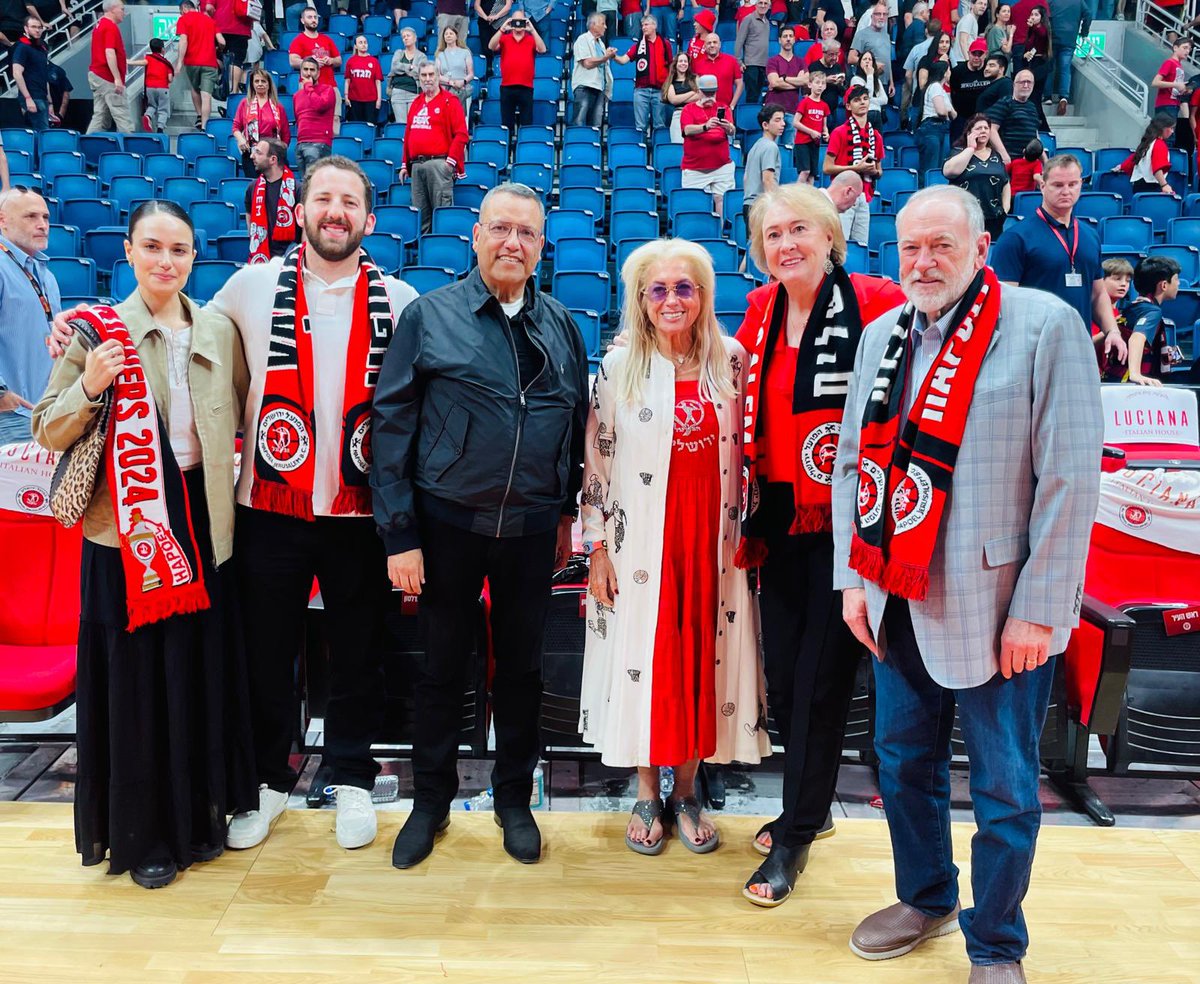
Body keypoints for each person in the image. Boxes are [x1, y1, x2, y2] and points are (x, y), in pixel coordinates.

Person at [832, 184, 1103, 984]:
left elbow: (1069, 479)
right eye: (911, 246)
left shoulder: (1044, 326)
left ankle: (997, 942)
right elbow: (852, 466)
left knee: (1005, 784)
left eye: (942, 246)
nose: (924, 261)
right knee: (901, 759)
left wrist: (1041, 612)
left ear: (981, 250)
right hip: (893, 594)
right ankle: (925, 896)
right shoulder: (881, 336)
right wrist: (855, 576)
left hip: (998, 610)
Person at [33, 200, 258, 890]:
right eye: (153, 247)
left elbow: (245, 405)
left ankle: (199, 816)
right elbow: (46, 428)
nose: (166, 261)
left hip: (203, 520)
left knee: (196, 676)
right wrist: (92, 389)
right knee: (135, 687)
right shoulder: (95, 334)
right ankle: (142, 834)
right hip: (125, 532)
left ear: (195, 258)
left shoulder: (218, 327)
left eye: (180, 250)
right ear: (128, 251)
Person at [371, 183, 588, 869]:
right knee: (440, 669)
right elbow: (392, 425)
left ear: (541, 245)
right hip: (445, 525)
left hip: (528, 531)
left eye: (526, 233)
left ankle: (513, 798)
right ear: (475, 235)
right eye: (500, 229)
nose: (512, 243)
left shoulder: (561, 325)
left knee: (523, 670)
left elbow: (573, 429)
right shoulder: (430, 317)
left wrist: (561, 515)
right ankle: (430, 800)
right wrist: (400, 534)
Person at [211, 158, 417, 854]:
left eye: (349, 201)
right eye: (323, 198)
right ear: (299, 210)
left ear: (369, 218)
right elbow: (185, 345)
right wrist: (86, 329)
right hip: (269, 507)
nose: (336, 210)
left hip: (361, 511)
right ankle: (269, 779)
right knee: (267, 651)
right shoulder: (249, 286)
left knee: (360, 651)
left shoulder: (402, 297)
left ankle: (353, 778)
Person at [736, 183, 905, 906]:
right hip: (779, 526)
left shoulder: (875, 298)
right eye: (773, 235)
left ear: (831, 233)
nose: (786, 246)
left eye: (799, 229)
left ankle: (799, 832)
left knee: (819, 683)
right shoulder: (761, 308)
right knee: (790, 681)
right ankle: (802, 806)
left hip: (848, 528)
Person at [580, 237, 770, 857]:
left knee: (698, 662)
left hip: (711, 543)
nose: (671, 300)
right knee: (648, 659)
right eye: (657, 289)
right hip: (640, 548)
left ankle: (686, 790)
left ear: (704, 295)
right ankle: (644, 789)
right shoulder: (617, 366)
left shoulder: (733, 362)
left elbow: (753, 458)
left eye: (683, 287)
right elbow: (598, 463)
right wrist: (600, 550)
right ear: (639, 298)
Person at [991, 154, 1128, 363]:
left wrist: (1113, 332)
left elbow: (1097, 293)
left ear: (1081, 184)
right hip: (1032, 350)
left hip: (1079, 346)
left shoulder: (1090, 235)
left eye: (1072, 184)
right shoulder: (1016, 238)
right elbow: (1004, 304)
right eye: (1058, 185)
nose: (1066, 191)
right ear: (1042, 185)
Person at [0, 188, 59, 446]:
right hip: (9, 416)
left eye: (45, 218)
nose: (42, 225)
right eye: (31, 217)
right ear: (2, 220)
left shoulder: (46, 274)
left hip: (44, 415)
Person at [399, 63, 468, 235]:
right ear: (419, 78)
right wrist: (404, 164)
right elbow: (408, 134)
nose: (428, 79)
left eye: (431, 75)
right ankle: (424, 257)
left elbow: (461, 135)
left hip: (439, 164)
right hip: (416, 166)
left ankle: (443, 258)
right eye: (424, 75)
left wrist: (449, 163)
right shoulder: (416, 103)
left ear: (438, 77)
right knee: (421, 217)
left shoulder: (450, 101)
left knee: (441, 217)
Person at [943, 113, 1010, 240]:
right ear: (969, 133)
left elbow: (1006, 182)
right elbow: (949, 171)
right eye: (978, 128)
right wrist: (970, 148)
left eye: (986, 128)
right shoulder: (959, 152)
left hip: (994, 217)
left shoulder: (996, 155)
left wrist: (1005, 210)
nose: (983, 131)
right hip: (966, 217)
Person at [681, 74, 737, 219]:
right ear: (699, 92)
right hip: (695, 169)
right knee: (695, 207)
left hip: (721, 167)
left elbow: (732, 131)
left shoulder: (723, 107)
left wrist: (728, 127)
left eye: (712, 93)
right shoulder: (688, 109)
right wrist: (705, 127)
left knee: (721, 201)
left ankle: (719, 235)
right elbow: (687, 130)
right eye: (706, 93)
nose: (710, 97)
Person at [1125, 255, 1185, 386]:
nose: (1179, 283)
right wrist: (1135, 374)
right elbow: (1136, 338)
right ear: (1164, 285)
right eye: (1176, 279)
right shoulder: (1152, 312)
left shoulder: (1132, 307)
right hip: (1138, 386)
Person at [825, 85, 884, 208]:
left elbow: (879, 171)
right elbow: (827, 168)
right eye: (857, 100)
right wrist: (855, 168)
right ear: (848, 106)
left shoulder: (876, 135)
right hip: (842, 196)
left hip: (865, 197)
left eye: (865, 98)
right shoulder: (839, 132)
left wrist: (874, 171)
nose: (862, 102)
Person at [614, 15, 673, 137]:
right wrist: (613, 56)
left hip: (659, 90)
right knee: (640, 127)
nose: (643, 28)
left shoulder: (665, 43)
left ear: (654, 26)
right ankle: (642, 152)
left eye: (646, 25)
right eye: (642, 25)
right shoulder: (638, 46)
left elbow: (671, 66)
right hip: (641, 91)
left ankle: (657, 155)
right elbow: (623, 60)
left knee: (660, 125)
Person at [489, 12, 547, 138]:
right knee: (506, 124)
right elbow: (491, 46)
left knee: (526, 123)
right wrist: (503, 28)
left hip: (526, 87)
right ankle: (508, 153)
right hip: (507, 87)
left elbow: (542, 49)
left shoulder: (531, 39)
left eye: (521, 21)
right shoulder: (505, 38)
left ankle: (524, 153)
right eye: (515, 21)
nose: (518, 24)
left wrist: (532, 29)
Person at [244, 138, 300, 263]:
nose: (252, 156)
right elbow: (250, 221)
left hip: (290, 259)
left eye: (258, 153)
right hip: (261, 258)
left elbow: (305, 228)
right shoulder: (252, 188)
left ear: (273, 160)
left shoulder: (297, 189)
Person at [175, 0, 223, 131]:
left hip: (192, 62)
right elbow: (222, 41)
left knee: (195, 89)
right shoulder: (210, 20)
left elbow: (183, 41)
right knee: (206, 95)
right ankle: (204, 125)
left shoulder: (184, 19)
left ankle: (199, 115)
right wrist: (219, 48)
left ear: (184, 8)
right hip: (210, 62)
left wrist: (179, 62)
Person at [233, 69, 290, 178]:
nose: (260, 84)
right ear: (252, 84)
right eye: (257, 81)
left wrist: (279, 151)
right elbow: (236, 127)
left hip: (272, 155)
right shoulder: (245, 104)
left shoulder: (278, 107)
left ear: (269, 84)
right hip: (251, 154)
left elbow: (286, 135)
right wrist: (241, 139)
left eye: (263, 81)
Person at [87, 0, 133, 133]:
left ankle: (88, 143)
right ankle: (129, 150)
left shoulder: (99, 25)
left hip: (98, 75)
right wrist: (117, 78)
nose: (124, 12)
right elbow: (109, 52)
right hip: (107, 77)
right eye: (122, 9)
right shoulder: (110, 27)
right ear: (113, 9)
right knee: (122, 115)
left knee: (100, 116)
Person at [1113, 115, 1178, 196]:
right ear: (1163, 128)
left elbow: (1134, 158)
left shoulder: (1147, 143)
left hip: (1138, 186)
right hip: (1152, 186)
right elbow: (1158, 168)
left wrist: (1120, 167)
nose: (1172, 132)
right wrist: (1164, 185)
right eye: (1171, 128)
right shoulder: (1159, 145)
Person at [765, 24, 808, 147]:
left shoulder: (800, 61)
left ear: (794, 39)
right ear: (779, 40)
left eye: (791, 36)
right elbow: (774, 82)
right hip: (774, 112)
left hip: (792, 111)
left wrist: (784, 79)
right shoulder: (772, 61)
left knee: (789, 149)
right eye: (785, 36)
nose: (788, 39)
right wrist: (796, 83)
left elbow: (805, 81)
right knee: (772, 147)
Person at [572, 12, 617, 128]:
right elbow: (587, 63)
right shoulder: (583, 40)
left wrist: (607, 90)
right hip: (585, 87)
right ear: (593, 25)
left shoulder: (601, 44)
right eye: (603, 24)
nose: (606, 27)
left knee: (596, 126)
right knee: (579, 123)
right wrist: (605, 57)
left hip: (599, 88)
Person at [986, 69, 1040, 164]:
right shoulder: (1005, 102)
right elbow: (991, 129)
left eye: (1029, 82)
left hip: (1029, 163)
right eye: (1022, 82)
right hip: (1010, 162)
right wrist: (1004, 155)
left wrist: (1045, 161)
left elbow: (1035, 135)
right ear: (1014, 84)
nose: (1026, 85)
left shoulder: (1032, 107)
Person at [293, 57, 336, 176]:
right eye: (305, 69)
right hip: (301, 143)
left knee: (314, 183)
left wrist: (308, 87)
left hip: (318, 142)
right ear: (300, 71)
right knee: (305, 185)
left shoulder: (327, 90)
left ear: (318, 72)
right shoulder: (297, 96)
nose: (308, 73)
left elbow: (320, 105)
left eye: (312, 70)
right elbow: (298, 118)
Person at [744, 106, 785, 225]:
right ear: (765, 125)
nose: (782, 124)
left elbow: (746, 178)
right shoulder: (770, 147)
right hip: (761, 206)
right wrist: (774, 206)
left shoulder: (756, 145)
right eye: (777, 120)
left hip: (749, 205)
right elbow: (767, 179)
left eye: (783, 120)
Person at [917, 61, 956, 182]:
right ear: (944, 73)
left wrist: (948, 110)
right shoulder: (935, 86)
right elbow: (942, 112)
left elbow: (954, 114)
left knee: (940, 167)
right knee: (931, 168)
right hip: (932, 128)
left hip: (942, 129)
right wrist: (947, 110)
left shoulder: (941, 90)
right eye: (949, 70)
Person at [1096, 256, 1133, 380]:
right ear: (1101, 280)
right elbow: (1085, 344)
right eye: (1117, 279)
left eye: (1128, 281)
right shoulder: (1093, 313)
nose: (1123, 284)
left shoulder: (1121, 314)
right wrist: (1111, 330)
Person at [12, 16, 51, 131]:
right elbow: (17, 73)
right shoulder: (22, 47)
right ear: (26, 28)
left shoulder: (42, 47)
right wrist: (28, 98)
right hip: (32, 96)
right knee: (42, 134)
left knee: (39, 133)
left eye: (39, 27)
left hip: (41, 96)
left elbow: (44, 75)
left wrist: (50, 102)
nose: (37, 30)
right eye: (34, 27)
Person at [289, 7, 342, 91]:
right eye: (310, 17)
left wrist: (331, 60)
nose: (313, 20)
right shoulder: (298, 40)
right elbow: (293, 61)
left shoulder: (327, 39)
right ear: (302, 20)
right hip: (308, 86)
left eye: (315, 17)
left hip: (330, 86)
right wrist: (312, 62)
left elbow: (339, 60)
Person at [902, 16, 941, 129]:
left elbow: (908, 74)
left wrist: (913, 89)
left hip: (918, 96)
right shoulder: (945, 48)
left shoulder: (916, 49)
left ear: (926, 31)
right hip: (939, 99)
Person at [129, 38, 174, 135]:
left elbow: (142, 63)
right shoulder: (166, 63)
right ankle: (160, 129)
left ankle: (148, 116)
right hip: (163, 88)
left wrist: (128, 61)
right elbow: (170, 78)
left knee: (152, 105)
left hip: (150, 88)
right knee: (163, 109)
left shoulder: (148, 58)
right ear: (163, 49)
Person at [793, 68, 830, 184]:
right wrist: (811, 132)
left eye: (823, 83)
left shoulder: (824, 106)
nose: (820, 86)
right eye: (817, 83)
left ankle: (809, 199)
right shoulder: (805, 102)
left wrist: (826, 133)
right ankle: (796, 195)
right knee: (805, 171)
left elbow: (824, 125)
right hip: (802, 142)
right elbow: (795, 122)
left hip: (815, 143)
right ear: (810, 84)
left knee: (812, 174)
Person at [949, 39, 989, 142]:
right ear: (968, 54)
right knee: (957, 146)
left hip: (984, 118)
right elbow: (953, 91)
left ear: (985, 54)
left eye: (980, 54)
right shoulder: (958, 71)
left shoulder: (989, 70)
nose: (976, 57)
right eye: (973, 54)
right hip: (962, 117)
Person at [850, 3, 895, 93]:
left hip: (885, 84)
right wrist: (872, 64)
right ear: (872, 16)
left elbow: (887, 60)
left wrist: (891, 82)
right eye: (878, 14)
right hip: (868, 81)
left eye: (884, 14)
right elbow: (851, 58)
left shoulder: (886, 35)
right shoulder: (861, 35)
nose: (881, 17)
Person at [212, 0, 253, 97]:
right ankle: (234, 91)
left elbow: (209, 7)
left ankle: (220, 79)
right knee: (237, 60)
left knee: (217, 54)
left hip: (220, 25)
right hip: (241, 26)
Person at [1048, 0, 1082, 115]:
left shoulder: (1051, 1)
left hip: (1053, 38)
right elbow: (1088, 15)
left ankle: (1047, 96)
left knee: (1049, 68)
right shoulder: (1079, 2)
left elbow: (1046, 17)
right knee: (1065, 69)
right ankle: (1063, 98)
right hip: (1069, 39)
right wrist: (1084, 32)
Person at [696, 32, 743, 113]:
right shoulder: (698, 64)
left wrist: (732, 106)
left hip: (726, 109)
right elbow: (696, 88)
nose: (712, 45)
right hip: (705, 109)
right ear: (704, 46)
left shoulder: (731, 61)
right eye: (709, 43)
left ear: (720, 44)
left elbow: (740, 84)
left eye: (715, 42)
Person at [388, 28, 427, 125]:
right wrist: (410, 67)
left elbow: (420, 72)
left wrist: (402, 69)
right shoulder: (399, 53)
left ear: (415, 38)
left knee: (413, 124)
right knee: (401, 124)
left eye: (408, 36)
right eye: (403, 37)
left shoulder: (421, 56)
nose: (405, 38)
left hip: (414, 93)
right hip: (398, 92)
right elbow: (394, 68)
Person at [735, 0, 771, 103]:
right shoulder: (748, 19)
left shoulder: (767, 22)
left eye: (765, 3)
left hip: (763, 65)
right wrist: (739, 61)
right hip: (750, 64)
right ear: (755, 4)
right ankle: (750, 117)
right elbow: (739, 41)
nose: (763, 6)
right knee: (752, 96)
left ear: (769, 6)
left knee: (758, 95)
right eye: (760, 3)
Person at [435, 25, 475, 117]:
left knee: (462, 117)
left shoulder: (465, 52)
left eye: (451, 33)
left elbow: (471, 74)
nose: (448, 36)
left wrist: (462, 81)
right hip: (445, 90)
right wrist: (450, 82)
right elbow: (437, 75)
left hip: (462, 89)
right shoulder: (440, 54)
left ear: (456, 36)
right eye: (446, 34)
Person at [344, 35, 384, 124]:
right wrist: (346, 97)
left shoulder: (374, 61)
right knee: (355, 126)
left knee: (370, 126)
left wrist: (378, 100)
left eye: (365, 42)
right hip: (354, 100)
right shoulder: (351, 61)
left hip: (371, 101)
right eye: (360, 42)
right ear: (355, 46)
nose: (363, 45)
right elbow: (347, 81)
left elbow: (378, 82)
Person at [1151, 37, 1192, 122]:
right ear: (1175, 48)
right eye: (1184, 48)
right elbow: (1155, 82)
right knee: (1167, 134)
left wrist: (1184, 88)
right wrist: (1176, 84)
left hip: (1174, 104)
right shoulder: (1170, 62)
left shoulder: (1179, 66)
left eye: (1189, 49)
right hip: (1166, 104)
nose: (1187, 51)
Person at [663, 51, 701, 141]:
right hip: (679, 115)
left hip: (695, 114)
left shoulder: (695, 78)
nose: (683, 63)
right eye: (680, 61)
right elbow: (674, 100)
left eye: (685, 61)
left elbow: (701, 96)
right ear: (676, 64)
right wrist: (692, 93)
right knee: (679, 145)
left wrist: (680, 98)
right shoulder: (671, 83)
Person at [1020, 6, 1050, 119]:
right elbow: (1028, 46)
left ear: (1042, 17)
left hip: (1040, 65)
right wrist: (1025, 55)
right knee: (1032, 98)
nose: (1032, 17)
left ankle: (1042, 126)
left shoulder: (1043, 29)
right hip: (1031, 63)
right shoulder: (1032, 30)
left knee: (1035, 97)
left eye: (1036, 15)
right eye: (1031, 14)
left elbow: (1042, 35)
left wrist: (1033, 27)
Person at [850, 48, 888, 127]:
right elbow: (867, 95)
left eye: (870, 59)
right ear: (860, 63)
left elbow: (884, 100)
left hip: (877, 113)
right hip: (864, 114)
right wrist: (869, 75)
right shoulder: (856, 79)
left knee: (879, 138)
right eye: (864, 59)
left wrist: (870, 100)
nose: (867, 61)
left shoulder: (877, 81)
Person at [475, 0, 513, 78]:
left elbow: (508, 6)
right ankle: (488, 70)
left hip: (501, 22)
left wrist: (496, 16)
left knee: (500, 48)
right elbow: (476, 5)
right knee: (486, 47)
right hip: (484, 22)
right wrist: (485, 17)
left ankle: (502, 70)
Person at [812, 39, 848, 114]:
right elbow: (809, 89)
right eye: (831, 54)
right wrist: (825, 80)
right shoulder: (814, 67)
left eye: (837, 54)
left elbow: (842, 93)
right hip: (818, 110)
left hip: (833, 110)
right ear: (824, 53)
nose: (834, 58)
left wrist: (840, 84)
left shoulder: (837, 67)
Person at [47, 58, 73, 126]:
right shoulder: (30, 71)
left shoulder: (56, 70)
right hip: (37, 112)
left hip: (55, 112)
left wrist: (60, 114)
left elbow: (66, 93)